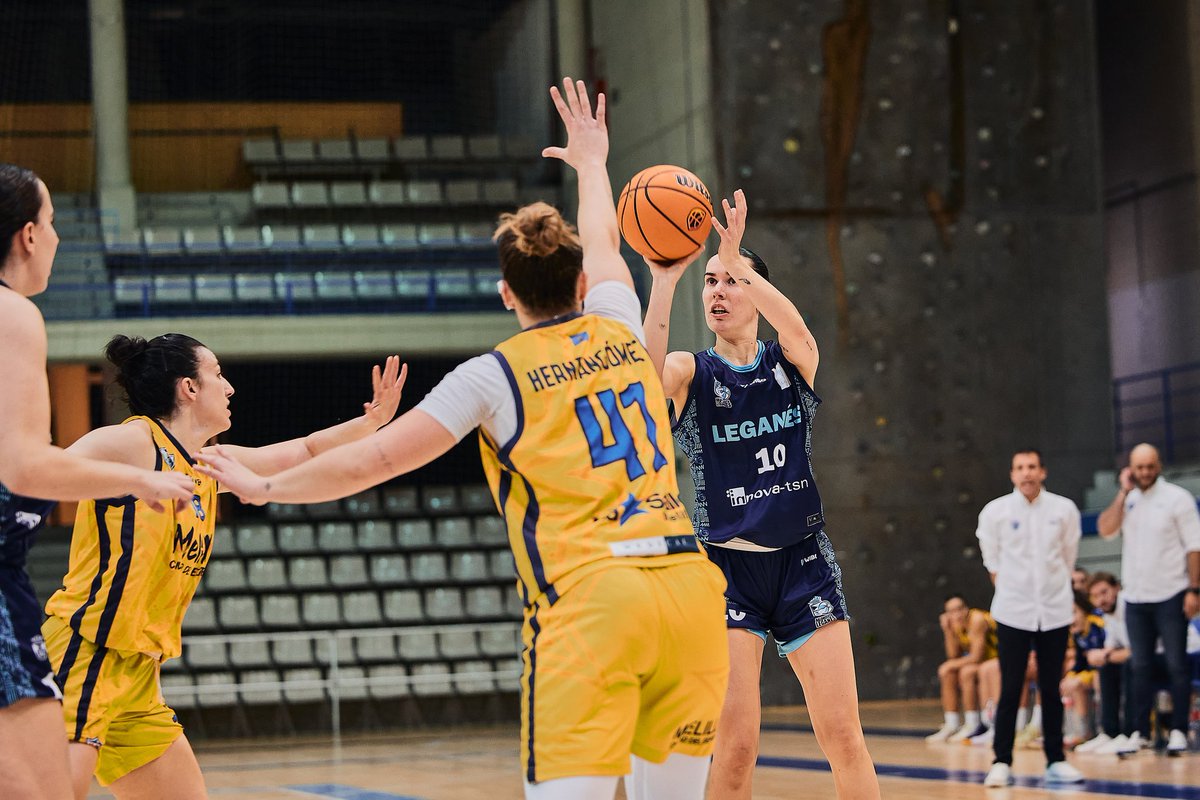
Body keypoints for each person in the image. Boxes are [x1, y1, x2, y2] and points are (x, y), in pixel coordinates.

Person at [197, 78, 729, 800]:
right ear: (579, 286)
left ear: (505, 294)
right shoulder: (618, 320)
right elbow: (604, 238)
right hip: (688, 589)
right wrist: (593, 162)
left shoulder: (491, 377)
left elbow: (376, 458)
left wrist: (267, 486)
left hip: (593, 601)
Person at [43, 334, 405, 800]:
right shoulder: (131, 441)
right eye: (217, 373)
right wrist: (131, 480)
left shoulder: (209, 464)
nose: (230, 387)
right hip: (85, 650)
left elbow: (307, 451)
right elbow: (38, 473)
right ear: (189, 388)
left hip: (138, 674)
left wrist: (372, 421)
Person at [641, 190, 879, 800]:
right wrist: (666, 280)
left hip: (803, 564)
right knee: (738, 748)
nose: (717, 290)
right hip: (726, 571)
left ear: (754, 291)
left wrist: (733, 255)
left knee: (844, 737)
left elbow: (797, 325)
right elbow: (641, 378)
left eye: (731, 281)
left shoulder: (790, 361)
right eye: (711, 282)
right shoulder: (690, 372)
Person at [0, 164, 195, 800]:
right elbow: (28, 465)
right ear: (28, 235)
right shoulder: (13, 314)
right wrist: (140, 482)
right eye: (53, 224)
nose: (57, 238)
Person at [976, 448, 1084, 787]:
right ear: (1012, 474)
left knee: (1052, 688)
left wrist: (1052, 590)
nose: (1027, 473)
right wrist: (1013, 588)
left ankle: (1055, 759)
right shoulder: (995, 512)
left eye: (1032, 467)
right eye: (1020, 468)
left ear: (1043, 471)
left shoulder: (1064, 509)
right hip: (1013, 612)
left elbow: (1069, 557)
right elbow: (991, 562)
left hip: (1053, 610)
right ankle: (1001, 761)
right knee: (1011, 688)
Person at [1096, 442, 1200, 757]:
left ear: (1159, 466)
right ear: (1130, 469)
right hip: (1137, 599)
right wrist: (1122, 494)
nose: (1144, 473)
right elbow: (1105, 530)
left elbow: (1194, 546)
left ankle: (1179, 730)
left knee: (1176, 665)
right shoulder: (1128, 501)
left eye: (1149, 466)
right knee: (1138, 665)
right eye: (1138, 467)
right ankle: (1140, 731)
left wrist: (1194, 589)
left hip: (1171, 595)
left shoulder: (1177, 499)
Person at [926, 594, 999, 743]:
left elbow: (977, 656)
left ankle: (973, 723)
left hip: (998, 659)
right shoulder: (955, 625)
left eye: (959, 609)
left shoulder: (976, 619)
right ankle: (951, 724)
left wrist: (949, 665)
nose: (957, 614)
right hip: (983, 663)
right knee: (949, 674)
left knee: (965, 672)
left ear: (966, 609)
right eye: (951, 611)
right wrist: (948, 631)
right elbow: (953, 655)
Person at [1076, 572, 1134, 753]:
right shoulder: (1108, 614)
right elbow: (1111, 647)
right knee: (1106, 666)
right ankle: (1109, 732)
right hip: (1134, 660)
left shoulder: (1130, 606)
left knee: (1130, 666)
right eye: (1095, 596)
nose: (1101, 600)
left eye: (1104, 592)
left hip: (1167, 658)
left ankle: (1130, 732)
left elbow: (1136, 651)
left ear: (1116, 588)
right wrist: (1099, 655)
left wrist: (1107, 655)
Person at [1060, 591, 1106, 745]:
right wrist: (1070, 676)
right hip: (1092, 672)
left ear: (1085, 610)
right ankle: (1079, 731)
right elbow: (1080, 663)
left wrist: (1078, 678)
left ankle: (1102, 730)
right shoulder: (1078, 633)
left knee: (1079, 683)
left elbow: (1102, 658)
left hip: (1107, 670)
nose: (1071, 619)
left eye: (1074, 612)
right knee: (1069, 682)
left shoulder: (1097, 624)